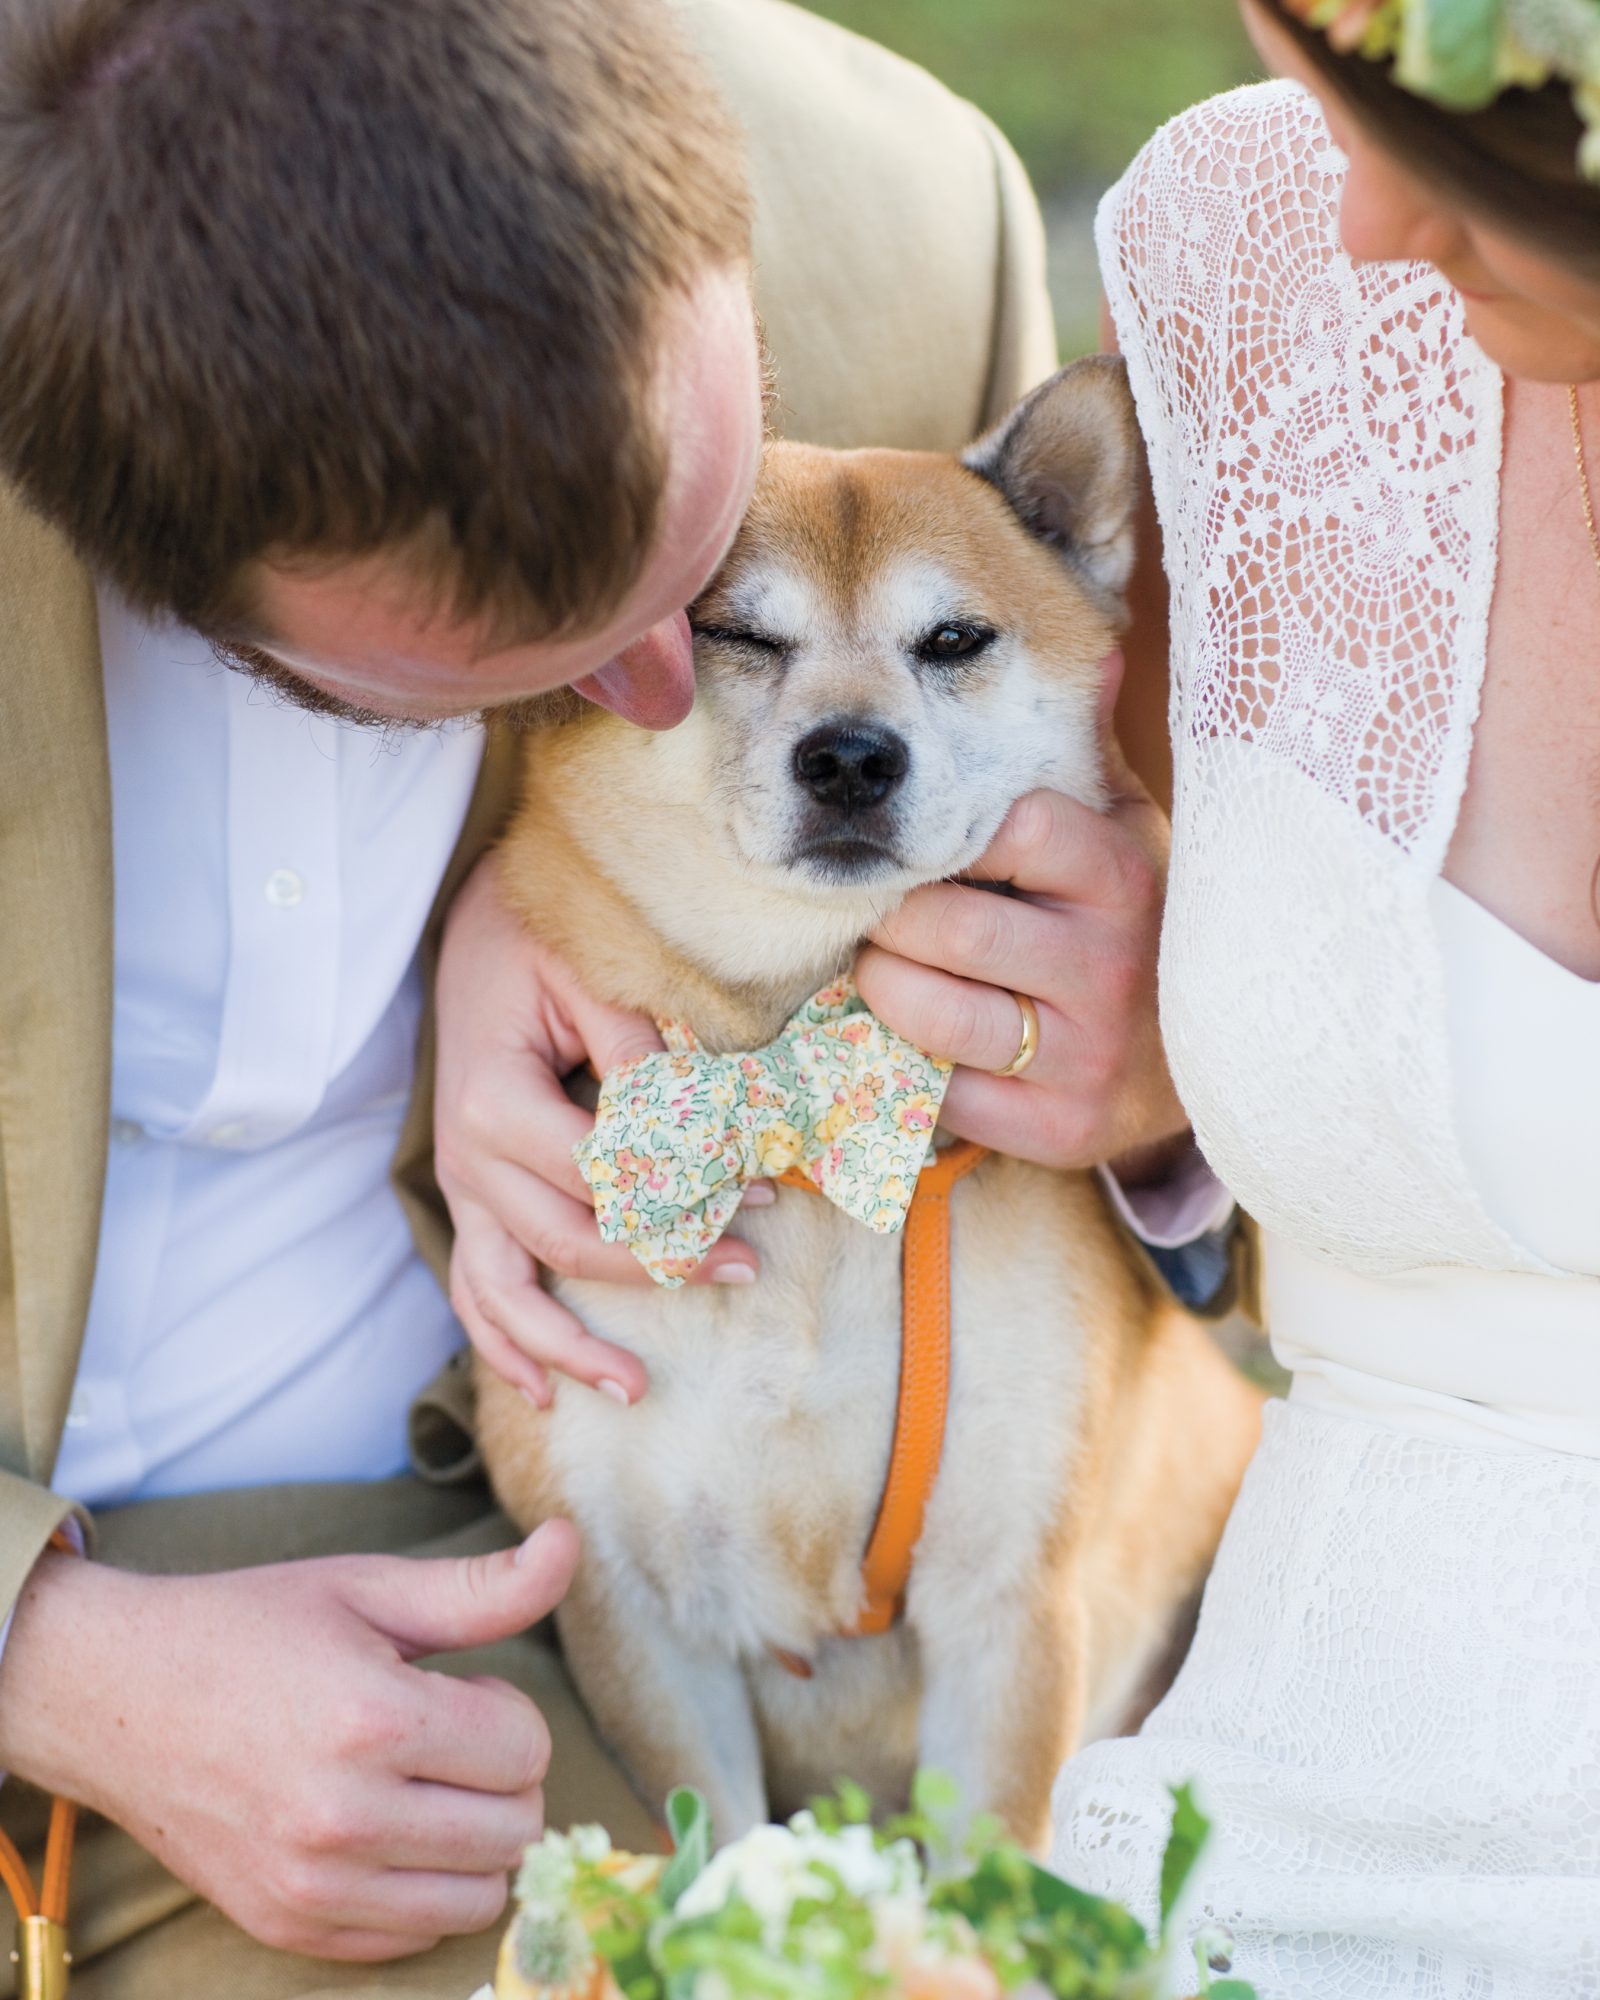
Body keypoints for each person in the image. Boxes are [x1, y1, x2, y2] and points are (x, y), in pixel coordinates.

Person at [0, 0, 1229, 1993]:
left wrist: (1159, 1053)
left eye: (700, 556)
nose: (675, 700)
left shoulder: (903, 223)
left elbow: (1091, 769)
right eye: (531, 665)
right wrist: (45, 1653)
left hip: (507, 1571)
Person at [1044, 0, 1600, 1992]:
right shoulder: (1242, 253)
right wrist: (1158, 1088)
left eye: (1429, 141)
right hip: (1228, 1853)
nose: (1363, 222)